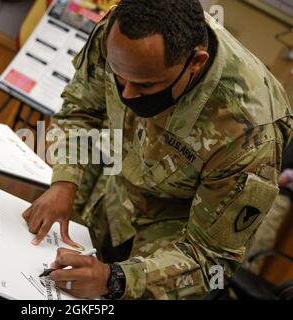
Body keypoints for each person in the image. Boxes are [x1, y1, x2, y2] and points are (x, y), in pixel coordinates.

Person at [22, 0, 293, 299]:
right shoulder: (120, 32)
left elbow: (210, 258)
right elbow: (82, 110)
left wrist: (115, 280)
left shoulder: (250, 130)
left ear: (196, 63)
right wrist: (65, 181)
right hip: (110, 201)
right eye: (119, 78)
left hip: (169, 253)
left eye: (145, 86)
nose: (126, 95)